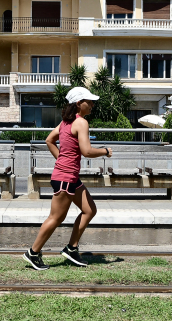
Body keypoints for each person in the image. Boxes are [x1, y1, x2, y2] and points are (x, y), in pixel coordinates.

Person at [23, 87, 112, 270]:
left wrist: (62, 160)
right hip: (65, 178)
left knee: (89, 210)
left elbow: (49, 140)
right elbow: (86, 151)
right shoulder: (81, 123)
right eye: (90, 101)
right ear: (79, 103)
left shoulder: (65, 122)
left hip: (68, 176)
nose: (93, 104)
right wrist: (105, 151)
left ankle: (71, 248)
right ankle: (33, 253)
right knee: (56, 217)